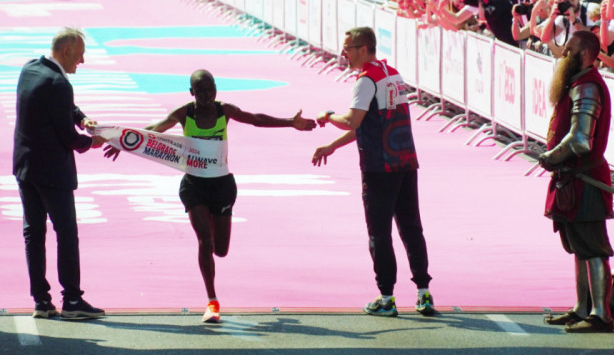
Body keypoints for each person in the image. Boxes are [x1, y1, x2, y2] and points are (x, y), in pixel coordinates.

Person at [104, 69, 316, 323]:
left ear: (216, 89)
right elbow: (155, 130)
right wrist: (124, 141)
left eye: (211, 89)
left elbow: (255, 119)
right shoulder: (184, 113)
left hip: (222, 185)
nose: (206, 95)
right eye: (201, 90)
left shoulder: (224, 110)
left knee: (221, 250)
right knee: (204, 239)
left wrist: (290, 122)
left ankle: (214, 247)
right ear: (191, 93)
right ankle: (212, 302)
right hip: (194, 186)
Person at [312, 27, 434, 317]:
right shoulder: (393, 74)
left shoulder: (366, 80)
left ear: (365, 48)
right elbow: (370, 124)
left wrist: (329, 117)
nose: (344, 53)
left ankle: (387, 297)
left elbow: (353, 120)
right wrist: (332, 146)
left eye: (349, 48)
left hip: (380, 167)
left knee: (379, 234)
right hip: (405, 161)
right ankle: (424, 294)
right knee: (411, 228)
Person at [13, 27, 108, 319]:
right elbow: (68, 138)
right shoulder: (59, 84)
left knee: (33, 233)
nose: (82, 61)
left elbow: (61, 107)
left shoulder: (31, 69)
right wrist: (93, 141)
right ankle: (72, 300)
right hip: (52, 173)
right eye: (79, 55)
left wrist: (81, 117)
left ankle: (41, 301)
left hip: (26, 168)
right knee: (66, 233)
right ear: (66, 51)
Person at [538, 30, 614, 333]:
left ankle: (601, 314)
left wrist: (551, 158)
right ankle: (582, 307)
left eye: (569, 50)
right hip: (573, 179)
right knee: (579, 247)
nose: (564, 55)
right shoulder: (578, 83)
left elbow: (581, 140)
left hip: (586, 179)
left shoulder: (587, 86)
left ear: (584, 54)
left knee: (593, 247)